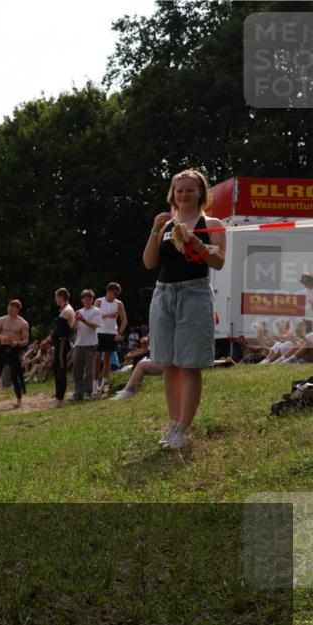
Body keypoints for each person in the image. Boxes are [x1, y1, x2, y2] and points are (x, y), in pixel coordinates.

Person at [143, 169, 226, 450]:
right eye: (179, 190)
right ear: (172, 194)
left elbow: (218, 263)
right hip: (163, 294)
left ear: (201, 192)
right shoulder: (166, 223)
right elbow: (149, 263)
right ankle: (173, 423)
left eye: (190, 190)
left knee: (189, 365)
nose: (183, 195)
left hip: (194, 293)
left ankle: (183, 429)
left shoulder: (212, 223)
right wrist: (156, 230)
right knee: (168, 365)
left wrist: (195, 242)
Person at [0, 299, 30, 409]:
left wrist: (17, 343)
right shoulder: (2, 319)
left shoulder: (23, 323)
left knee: (15, 376)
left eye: (13, 310)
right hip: (3, 348)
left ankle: (19, 400)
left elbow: (26, 340)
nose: (10, 311)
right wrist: (1, 337)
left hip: (14, 349)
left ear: (18, 310)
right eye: (9, 309)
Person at [93, 282, 127, 396]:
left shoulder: (119, 303)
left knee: (107, 359)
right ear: (108, 291)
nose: (116, 296)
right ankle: (95, 385)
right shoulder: (99, 301)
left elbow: (124, 320)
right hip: (99, 332)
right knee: (97, 359)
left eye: (117, 294)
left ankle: (104, 383)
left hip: (111, 333)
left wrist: (119, 333)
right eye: (114, 293)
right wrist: (108, 315)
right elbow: (93, 317)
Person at [72, 289, 102, 401]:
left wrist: (83, 320)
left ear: (92, 300)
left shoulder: (97, 311)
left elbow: (94, 326)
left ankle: (87, 392)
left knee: (89, 370)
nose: (87, 301)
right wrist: (76, 320)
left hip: (91, 344)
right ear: (82, 300)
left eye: (89, 300)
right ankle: (77, 393)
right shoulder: (78, 312)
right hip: (79, 343)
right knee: (77, 370)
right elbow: (73, 328)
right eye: (85, 300)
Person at [51, 288, 76, 408]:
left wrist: (48, 340)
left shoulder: (67, 310)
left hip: (62, 343)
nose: (55, 299)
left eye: (56, 296)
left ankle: (59, 400)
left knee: (61, 370)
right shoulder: (63, 309)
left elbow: (59, 331)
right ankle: (58, 397)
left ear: (60, 297)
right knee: (57, 369)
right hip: (59, 343)